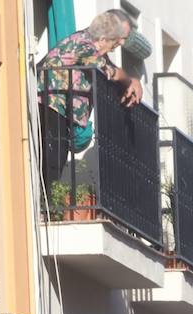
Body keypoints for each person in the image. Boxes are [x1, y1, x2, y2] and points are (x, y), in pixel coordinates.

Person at [36, 10, 144, 193]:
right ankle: (44, 208)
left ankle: (46, 202)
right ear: (103, 38)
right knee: (52, 161)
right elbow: (109, 71)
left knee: (56, 159)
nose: (120, 43)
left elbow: (109, 70)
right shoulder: (84, 45)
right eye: (117, 40)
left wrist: (129, 82)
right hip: (51, 107)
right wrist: (130, 80)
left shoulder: (93, 49)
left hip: (59, 110)